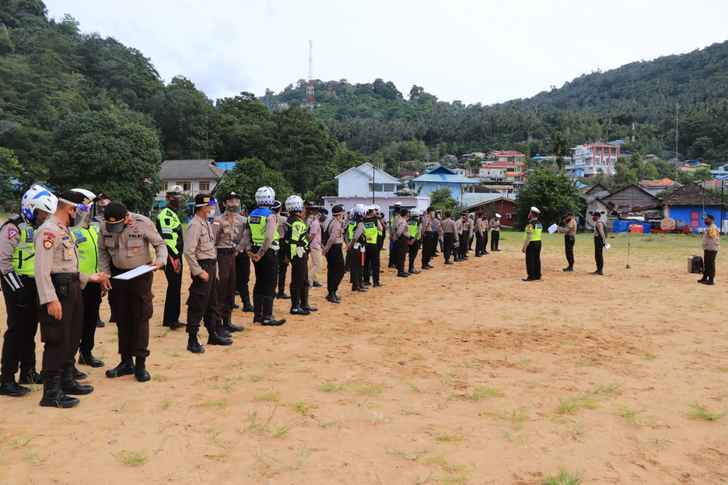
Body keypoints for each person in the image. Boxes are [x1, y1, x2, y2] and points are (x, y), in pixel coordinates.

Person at [35, 191, 109, 408]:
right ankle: (51, 393)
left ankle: (66, 381)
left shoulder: (64, 229)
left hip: (72, 287)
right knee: (57, 339)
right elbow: (43, 270)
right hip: (59, 291)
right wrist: (50, 299)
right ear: (69, 208)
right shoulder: (48, 231)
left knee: (71, 336)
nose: (80, 215)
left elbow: (68, 267)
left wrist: (90, 278)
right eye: (78, 210)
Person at [98, 202, 167, 382]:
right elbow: (103, 251)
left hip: (140, 276)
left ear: (127, 218)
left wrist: (160, 260)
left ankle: (141, 364)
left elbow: (160, 244)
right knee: (122, 318)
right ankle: (126, 362)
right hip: (117, 277)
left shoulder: (142, 222)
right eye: (110, 224)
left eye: (117, 224)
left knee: (140, 318)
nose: (113, 228)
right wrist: (105, 273)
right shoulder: (104, 226)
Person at [0, 185, 55, 397]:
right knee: (16, 331)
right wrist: (18, 289)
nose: (44, 216)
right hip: (16, 283)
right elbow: (3, 262)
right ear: (31, 208)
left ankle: (28, 371)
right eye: (41, 212)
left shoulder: (39, 228)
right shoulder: (13, 228)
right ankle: (6, 378)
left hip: (34, 284)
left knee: (30, 329)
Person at [184, 193, 232, 354]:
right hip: (202, 268)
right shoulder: (195, 225)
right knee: (197, 304)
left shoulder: (206, 223)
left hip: (211, 266)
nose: (212, 208)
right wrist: (198, 272)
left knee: (212, 303)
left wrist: (215, 271)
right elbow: (189, 252)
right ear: (203, 207)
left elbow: (211, 249)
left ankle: (213, 334)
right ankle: (192, 340)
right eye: (209, 206)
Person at [69, 189, 105, 369]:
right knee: (75, 323)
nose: (90, 210)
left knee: (91, 320)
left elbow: (100, 255)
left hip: (95, 282)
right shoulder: (70, 230)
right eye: (88, 205)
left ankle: (86, 353)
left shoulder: (95, 227)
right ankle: (69, 360)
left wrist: (102, 278)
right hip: (77, 283)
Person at [247, 187, 287, 326]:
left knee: (259, 282)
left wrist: (251, 252)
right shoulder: (271, 215)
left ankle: (258, 315)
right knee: (270, 284)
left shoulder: (251, 214)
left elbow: (247, 235)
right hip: (268, 251)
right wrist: (260, 254)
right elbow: (269, 237)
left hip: (255, 248)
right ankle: (267, 316)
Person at [212, 193, 245, 335]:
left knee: (231, 289)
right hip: (221, 255)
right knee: (221, 290)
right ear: (224, 204)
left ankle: (227, 321)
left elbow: (243, 236)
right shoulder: (218, 220)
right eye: (231, 201)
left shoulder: (241, 220)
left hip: (232, 255)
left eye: (237, 200)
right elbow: (212, 241)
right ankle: (217, 324)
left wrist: (238, 249)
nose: (234, 203)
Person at [156, 185, 185, 330]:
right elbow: (168, 239)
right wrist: (174, 258)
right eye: (176, 196)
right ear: (168, 198)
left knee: (176, 287)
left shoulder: (173, 213)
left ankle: (172, 318)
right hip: (171, 256)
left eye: (180, 196)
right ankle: (171, 320)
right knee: (174, 287)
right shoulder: (166, 215)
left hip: (175, 255)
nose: (179, 199)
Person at [286, 195, 316, 315]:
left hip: (299, 253)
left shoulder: (292, 220)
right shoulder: (297, 223)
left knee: (304, 279)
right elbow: (293, 241)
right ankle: (295, 306)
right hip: (298, 254)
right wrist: (293, 256)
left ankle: (304, 304)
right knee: (298, 280)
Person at [323, 205, 346, 303]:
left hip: (332, 248)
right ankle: (332, 292)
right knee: (339, 271)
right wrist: (326, 249)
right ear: (340, 214)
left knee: (333, 271)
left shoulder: (330, 221)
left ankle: (331, 292)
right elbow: (332, 238)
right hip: (334, 248)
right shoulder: (336, 223)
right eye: (343, 213)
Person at [235, 205, 254, 313]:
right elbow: (247, 237)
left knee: (232, 280)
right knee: (243, 280)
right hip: (241, 253)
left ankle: (232, 302)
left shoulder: (221, 219)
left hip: (232, 253)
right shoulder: (245, 220)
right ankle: (246, 304)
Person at [347, 204, 368, 291]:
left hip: (354, 247)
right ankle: (357, 285)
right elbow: (356, 236)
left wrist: (348, 244)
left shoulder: (351, 222)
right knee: (359, 266)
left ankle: (357, 284)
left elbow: (346, 234)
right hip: (358, 248)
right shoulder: (360, 223)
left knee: (355, 266)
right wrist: (351, 245)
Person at [363, 206, 383, 287]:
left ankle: (366, 281)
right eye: (374, 211)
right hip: (374, 244)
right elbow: (381, 229)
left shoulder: (363, 220)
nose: (376, 212)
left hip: (365, 244)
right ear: (371, 212)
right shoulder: (375, 220)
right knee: (375, 264)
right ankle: (376, 282)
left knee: (366, 263)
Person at [522, 207, 543, 282]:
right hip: (538, 242)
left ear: (532, 214)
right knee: (537, 259)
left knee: (530, 260)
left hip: (531, 243)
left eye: (530, 212)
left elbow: (529, 236)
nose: (529, 213)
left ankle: (531, 276)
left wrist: (524, 247)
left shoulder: (530, 224)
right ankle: (537, 275)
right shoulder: (539, 223)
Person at [274, 204, 290, 299]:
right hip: (282, 243)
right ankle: (281, 291)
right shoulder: (284, 219)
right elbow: (288, 232)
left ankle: (272, 290)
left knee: (273, 269)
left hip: (273, 243)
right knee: (282, 269)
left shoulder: (269, 218)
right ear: (279, 209)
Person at [699, 213, 720, 285]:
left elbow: (712, 235)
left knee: (711, 264)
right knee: (706, 264)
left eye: (706, 219)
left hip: (712, 249)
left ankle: (711, 280)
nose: (705, 220)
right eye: (705, 219)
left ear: (711, 220)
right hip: (707, 248)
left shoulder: (713, 227)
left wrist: (708, 231)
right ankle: (705, 278)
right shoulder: (709, 227)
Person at [307, 206, 323, 288]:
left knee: (314, 264)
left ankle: (314, 280)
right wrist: (308, 243)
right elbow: (312, 235)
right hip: (315, 245)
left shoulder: (315, 222)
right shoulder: (315, 223)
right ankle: (309, 279)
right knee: (317, 264)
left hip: (316, 244)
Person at [394, 208, 410, 277]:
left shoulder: (398, 220)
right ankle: (400, 272)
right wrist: (399, 237)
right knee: (402, 256)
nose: (409, 214)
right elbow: (399, 232)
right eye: (408, 213)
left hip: (400, 239)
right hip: (402, 239)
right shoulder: (403, 221)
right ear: (406, 214)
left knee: (400, 255)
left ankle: (401, 271)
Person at [592, 211, 607, 276]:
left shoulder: (599, 223)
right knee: (597, 255)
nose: (593, 217)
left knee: (599, 255)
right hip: (598, 239)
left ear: (597, 216)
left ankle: (600, 270)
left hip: (599, 240)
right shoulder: (599, 222)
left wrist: (604, 242)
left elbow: (602, 233)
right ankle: (598, 269)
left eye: (594, 216)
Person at [407, 209, 422, 274]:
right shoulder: (418, 222)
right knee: (413, 255)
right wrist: (413, 240)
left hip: (408, 239)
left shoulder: (407, 221)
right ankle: (411, 268)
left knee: (410, 254)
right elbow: (418, 232)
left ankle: (411, 268)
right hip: (415, 240)